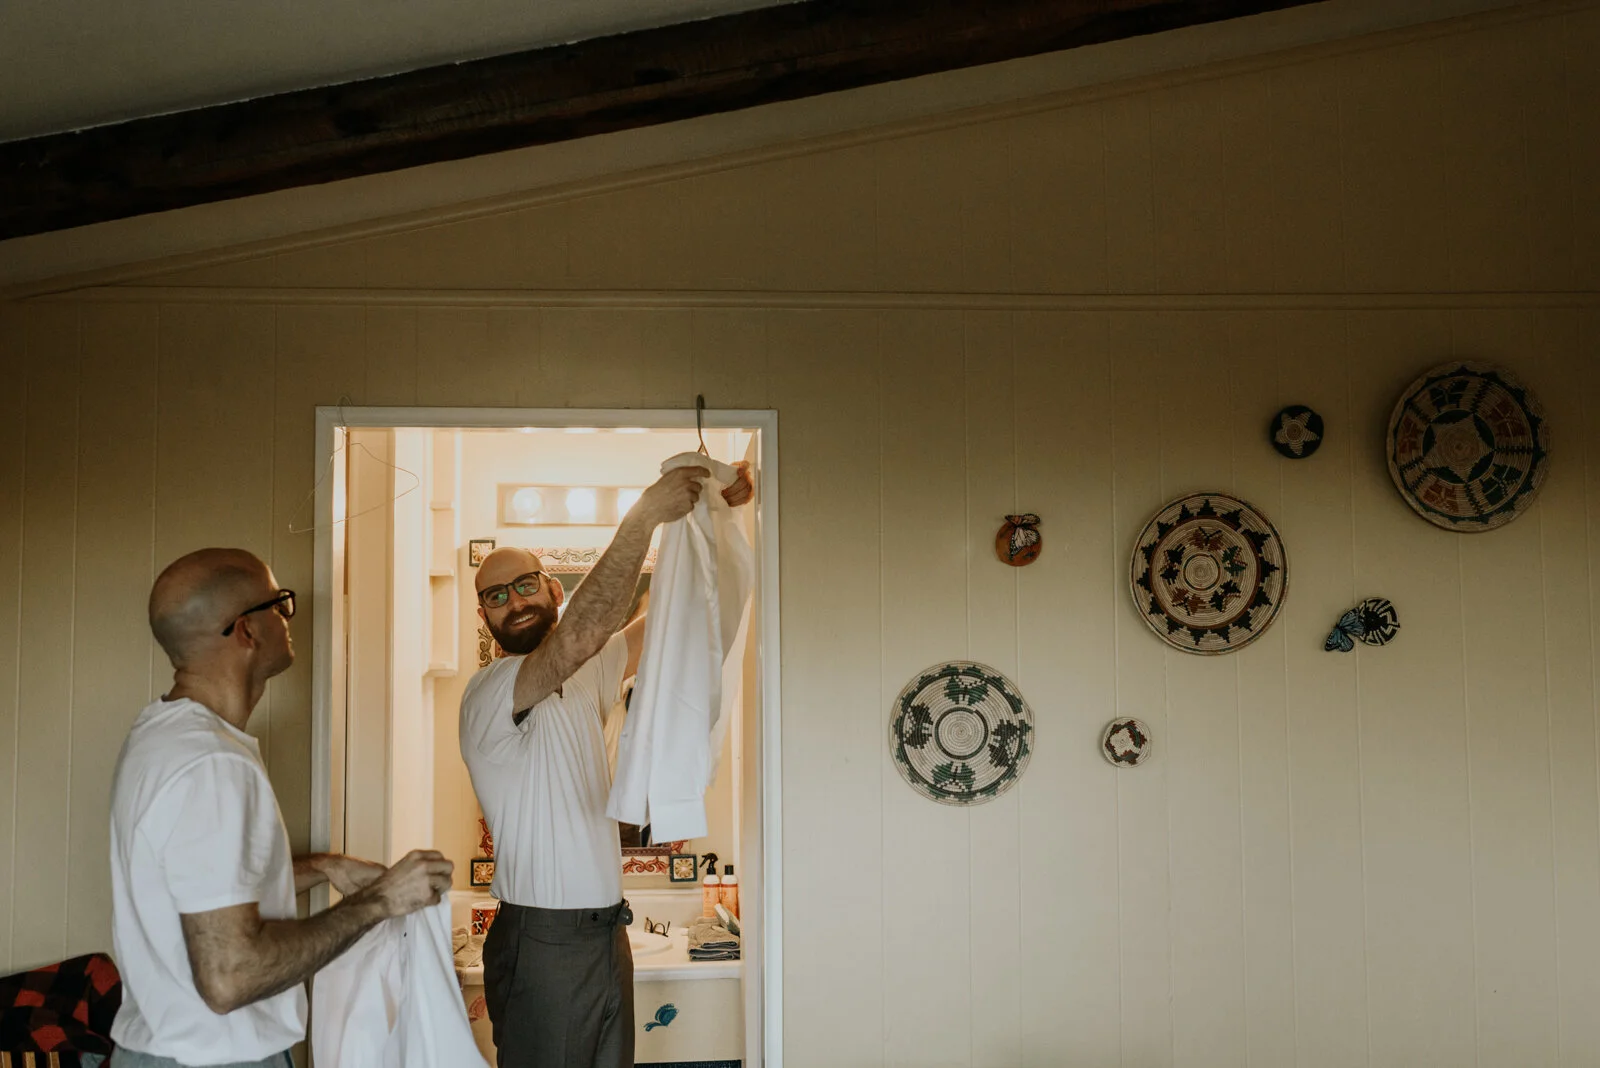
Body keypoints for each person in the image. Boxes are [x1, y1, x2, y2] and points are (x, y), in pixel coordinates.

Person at [109, 548, 454, 1068]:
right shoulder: (212, 765)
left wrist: (322, 867)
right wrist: (382, 900)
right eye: (280, 604)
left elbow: (201, 892)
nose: (289, 618)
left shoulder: (163, 737)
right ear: (246, 631)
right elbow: (231, 977)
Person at [460, 461, 753, 1068]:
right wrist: (646, 513)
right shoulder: (491, 692)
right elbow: (583, 633)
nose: (511, 601)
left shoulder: (586, 674)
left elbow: (680, 624)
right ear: (484, 618)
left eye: (523, 585)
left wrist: (715, 514)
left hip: (604, 934)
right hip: (543, 940)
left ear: (553, 589)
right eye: (495, 596)